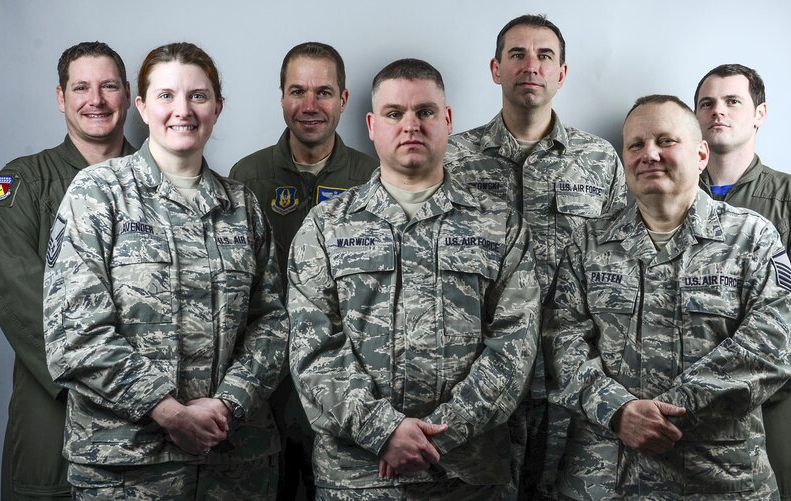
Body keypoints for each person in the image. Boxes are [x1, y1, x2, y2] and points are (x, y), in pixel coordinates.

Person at [42, 42, 288, 499]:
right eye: (166, 96)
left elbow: (273, 322)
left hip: (233, 466)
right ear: (142, 106)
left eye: (198, 96)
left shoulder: (242, 206)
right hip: (126, 467)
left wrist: (226, 403)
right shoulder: (98, 193)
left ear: (217, 107)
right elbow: (74, 333)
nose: (183, 110)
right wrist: (168, 412)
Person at [287, 58, 539, 500]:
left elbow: (514, 344)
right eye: (393, 113)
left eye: (424, 112)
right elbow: (313, 347)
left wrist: (439, 435)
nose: (410, 125)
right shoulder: (324, 226)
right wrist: (383, 430)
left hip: (466, 476)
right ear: (371, 124)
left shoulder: (500, 224)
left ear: (447, 120)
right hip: (359, 476)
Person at [543, 95, 791, 499]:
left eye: (666, 141)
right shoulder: (588, 242)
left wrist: (670, 411)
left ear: (700, 154)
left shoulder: (751, 238)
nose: (650, 154)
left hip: (717, 478)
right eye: (636, 144)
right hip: (606, 476)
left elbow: (774, 346)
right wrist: (617, 410)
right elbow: (560, 341)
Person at [444, 14, 627, 498]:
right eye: (517, 54)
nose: (532, 66)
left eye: (545, 55)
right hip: (478, 373)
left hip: (572, 375)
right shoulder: (453, 158)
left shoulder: (599, 160)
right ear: (495, 69)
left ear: (562, 73)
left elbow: (620, 264)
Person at [0, 41, 135, 500]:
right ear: (60, 97)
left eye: (108, 86)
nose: (96, 100)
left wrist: (149, 391)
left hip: (147, 424)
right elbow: (20, 298)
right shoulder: (22, 184)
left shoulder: (162, 183)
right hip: (55, 414)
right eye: (81, 87)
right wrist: (117, 381)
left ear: (128, 95)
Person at [229, 42, 377, 500]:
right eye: (297, 92)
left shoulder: (372, 177)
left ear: (345, 100)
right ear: (280, 98)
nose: (310, 106)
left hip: (346, 380)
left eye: (323, 92)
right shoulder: (246, 178)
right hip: (267, 389)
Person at [694, 64, 791, 501]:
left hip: (768, 409)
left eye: (732, 101)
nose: (717, 111)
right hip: (680, 410)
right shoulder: (671, 198)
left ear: (760, 113)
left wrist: (727, 387)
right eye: (707, 103)